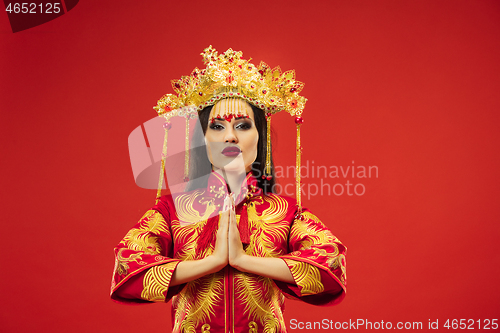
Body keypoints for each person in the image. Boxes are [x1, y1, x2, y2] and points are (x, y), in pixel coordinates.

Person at [111, 46, 347, 333]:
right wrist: (212, 262)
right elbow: (128, 267)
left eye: (243, 125)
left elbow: (331, 264)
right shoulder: (173, 209)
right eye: (217, 127)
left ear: (261, 137)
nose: (231, 136)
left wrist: (243, 260)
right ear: (203, 138)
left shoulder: (285, 212)